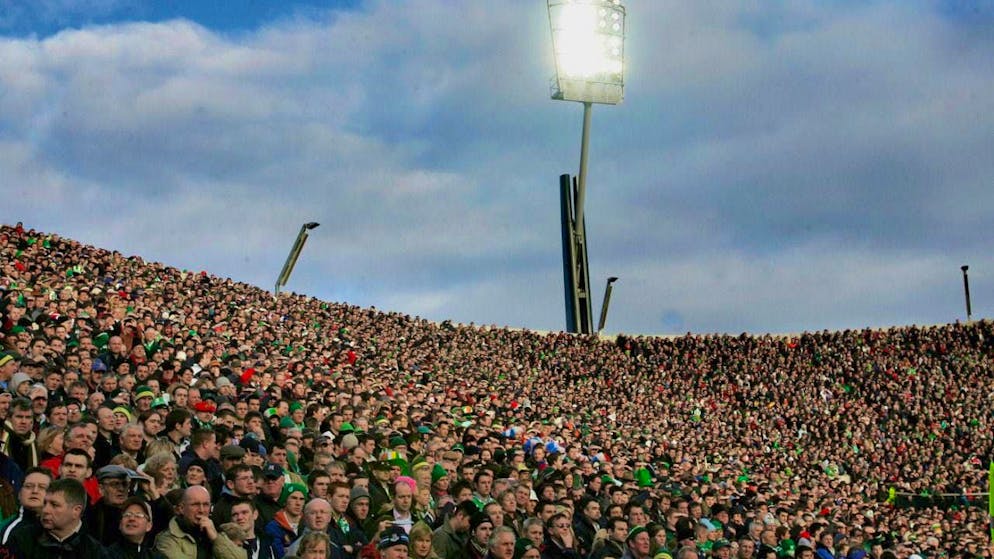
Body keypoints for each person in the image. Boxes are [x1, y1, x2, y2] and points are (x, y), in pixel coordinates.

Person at [1, 478, 104, 559]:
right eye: (45, 503)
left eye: (54, 505)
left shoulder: (95, 552)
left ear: (76, 511)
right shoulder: (21, 539)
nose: (45, 510)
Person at [154, 485, 246, 559]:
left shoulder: (217, 532)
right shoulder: (166, 539)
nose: (201, 510)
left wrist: (215, 538)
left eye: (206, 505)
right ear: (182, 508)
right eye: (195, 504)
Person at [0, 467, 51, 545]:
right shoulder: (6, 530)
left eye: (42, 487)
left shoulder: (59, 527)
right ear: (19, 494)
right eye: (28, 486)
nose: (35, 491)